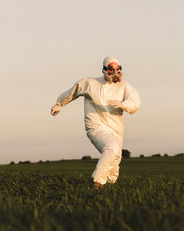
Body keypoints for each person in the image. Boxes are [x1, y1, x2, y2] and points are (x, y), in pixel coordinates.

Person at [50, 56, 141, 190]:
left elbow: (136, 102)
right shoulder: (90, 83)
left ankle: (109, 191)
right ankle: (97, 183)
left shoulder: (124, 86)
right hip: (96, 126)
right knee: (112, 148)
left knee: (114, 165)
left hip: (116, 128)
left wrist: (123, 104)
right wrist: (59, 104)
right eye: (111, 69)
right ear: (104, 69)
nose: (115, 72)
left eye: (117, 69)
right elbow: (73, 91)